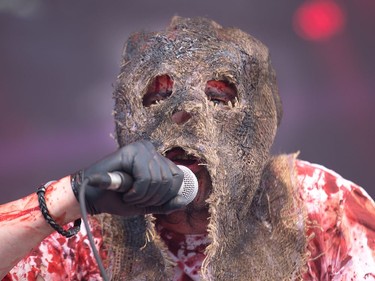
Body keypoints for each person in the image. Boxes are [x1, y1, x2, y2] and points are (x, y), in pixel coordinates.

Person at [1, 16, 374, 281]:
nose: (184, 115)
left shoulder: (318, 204)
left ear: (259, 123)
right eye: (158, 98)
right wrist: (70, 194)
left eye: (218, 98)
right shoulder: (84, 230)